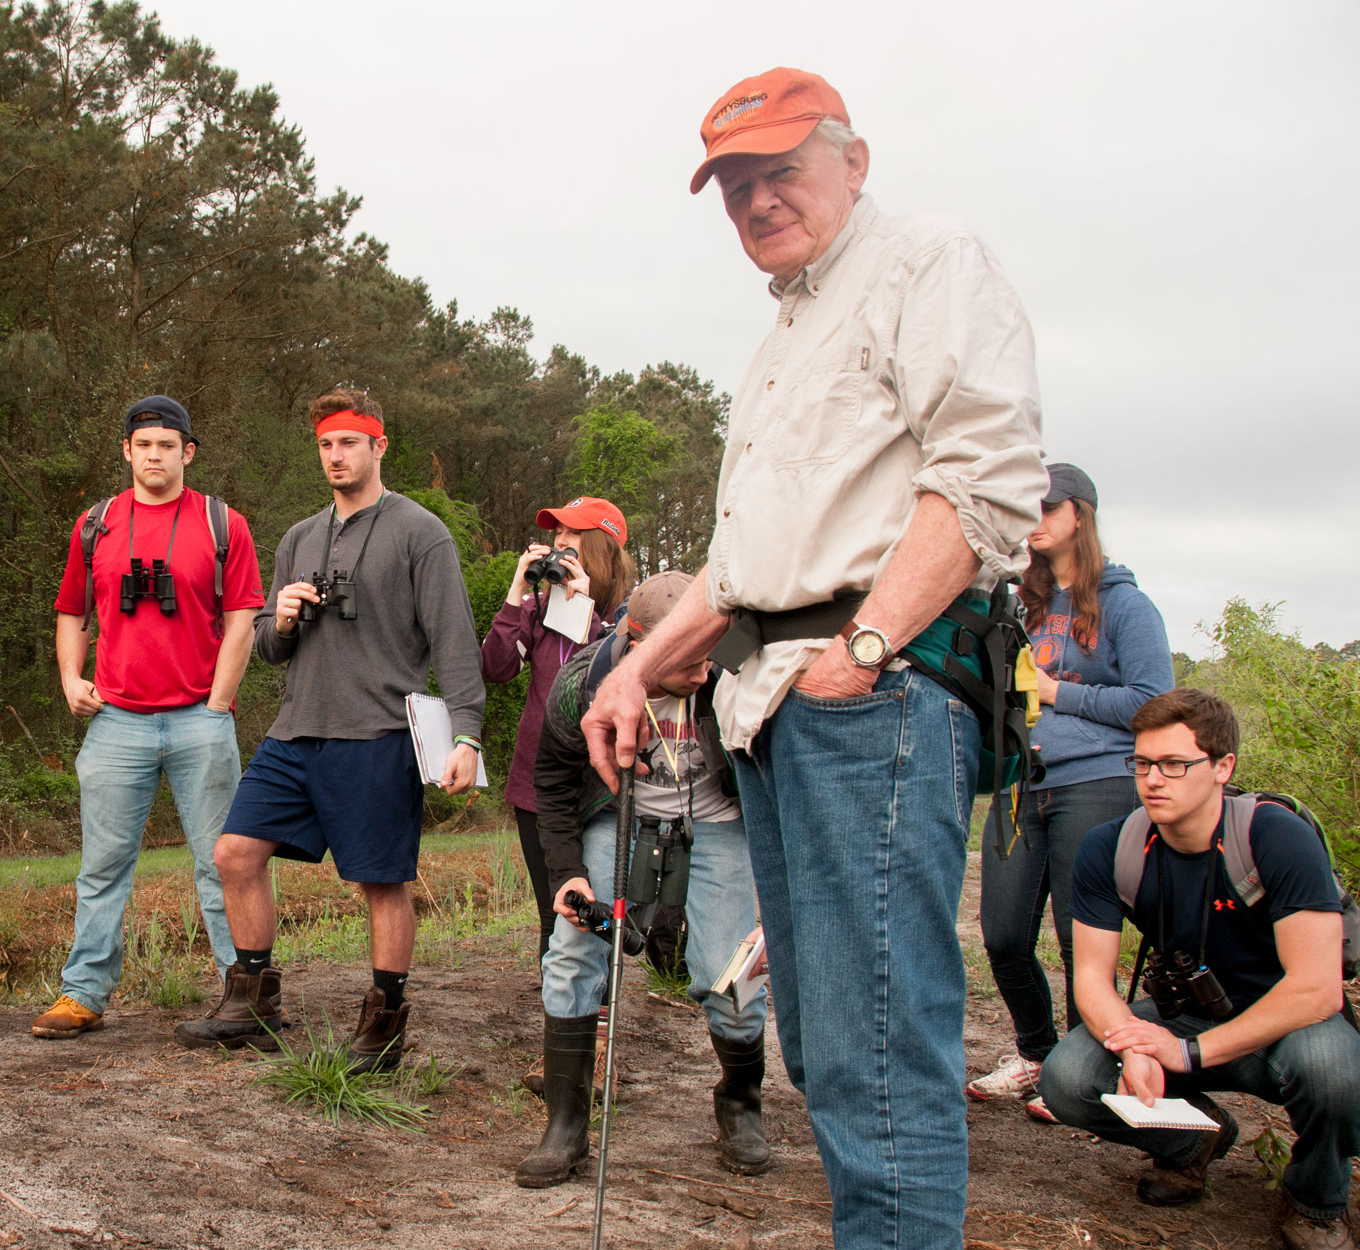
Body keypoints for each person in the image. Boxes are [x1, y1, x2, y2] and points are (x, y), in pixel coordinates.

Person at [582, 69, 1045, 1248]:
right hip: (774, 707)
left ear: (856, 159)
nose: (755, 198)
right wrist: (636, 670)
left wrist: (866, 644)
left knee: (876, 1037)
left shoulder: (923, 258)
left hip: (869, 699)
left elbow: (984, 474)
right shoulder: (781, 333)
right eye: (733, 183)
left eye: (779, 168)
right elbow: (743, 573)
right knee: (826, 1039)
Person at [173, 388, 485, 1071]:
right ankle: (253, 1001)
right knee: (234, 854)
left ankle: (384, 1022)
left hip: (377, 732)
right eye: (325, 445)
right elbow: (268, 648)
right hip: (296, 730)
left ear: (378, 445)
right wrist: (277, 619)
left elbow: (455, 643)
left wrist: (467, 736)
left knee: (379, 882)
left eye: (348, 442)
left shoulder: (419, 531)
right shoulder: (299, 539)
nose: (335, 455)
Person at [1040, 689, 1360, 1250]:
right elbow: (1091, 978)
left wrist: (1184, 1054)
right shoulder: (1111, 847)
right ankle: (1191, 1145)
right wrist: (1134, 1044)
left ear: (1222, 767)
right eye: (1142, 763)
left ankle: (1316, 1201)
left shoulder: (1274, 836)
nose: (1153, 780)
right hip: (1187, 1014)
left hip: (1288, 1021)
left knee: (1334, 1072)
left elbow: (1316, 988)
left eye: (1174, 764)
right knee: (1068, 1078)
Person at [517, 572, 770, 1188]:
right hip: (618, 817)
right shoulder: (581, 686)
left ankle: (740, 1104)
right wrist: (569, 875)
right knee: (575, 944)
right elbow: (549, 787)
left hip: (719, 824)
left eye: (709, 653)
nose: (704, 671)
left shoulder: (739, 665)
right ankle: (566, 1121)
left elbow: (790, 768)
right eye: (688, 659)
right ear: (639, 646)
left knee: (728, 974)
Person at [31, 397, 264, 1040]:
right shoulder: (97, 524)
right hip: (117, 721)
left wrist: (219, 701)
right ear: (127, 452)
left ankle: (241, 991)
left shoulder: (223, 524)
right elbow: (71, 611)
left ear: (187, 452)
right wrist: (70, 678)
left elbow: (245, 615)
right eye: (144, 446)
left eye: (168, 445)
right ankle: (83, 994)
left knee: (222, 862)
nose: (154, 456)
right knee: (102, 867)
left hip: (199, 718)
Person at [968, 462, 1173, 1119]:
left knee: (1080, 937)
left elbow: (1154, 704)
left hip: (1100, 782)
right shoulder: (1021, 606)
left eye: (1047, 509)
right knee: (1001, 934)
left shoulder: (1125, 604)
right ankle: (1038, 1054)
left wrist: (1057, 692)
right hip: (1022, 784)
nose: (1033, 522)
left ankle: (1085, 1072)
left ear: (1078, 514)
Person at [480, 497, 633, 960]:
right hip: (539, 785)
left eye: (572, 534)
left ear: (602, 546)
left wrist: (586, 614)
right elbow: (497, 667)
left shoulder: (630, 611)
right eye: (556, 534)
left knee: (602, 903)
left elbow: (610, 677)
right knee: (558, 907)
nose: (560, 543)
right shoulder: (539, 607)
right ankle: (563, 1004)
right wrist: (515, 592)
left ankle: (613, 957)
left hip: (602, 786)